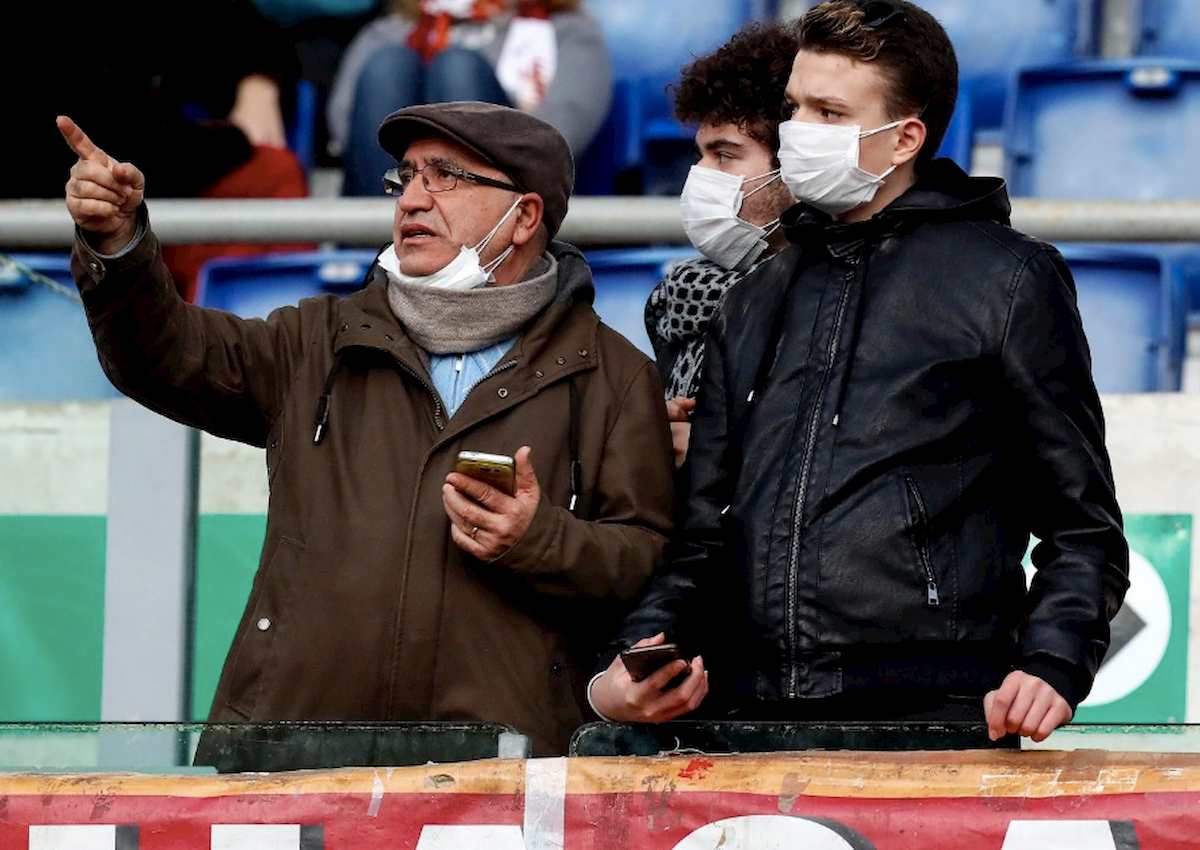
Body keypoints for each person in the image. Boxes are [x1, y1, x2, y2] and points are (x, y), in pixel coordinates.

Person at [58, 101, 674, 757]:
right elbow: (162, 358)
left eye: (446, 177)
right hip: (291, 758)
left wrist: (539, 538)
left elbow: (644, 561)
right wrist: (119, 245)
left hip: (492, 784)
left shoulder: (614, 377)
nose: (412, 199)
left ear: (524, 217)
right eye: (404, 178)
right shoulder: (315, 341)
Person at [590, 0, 1129, 745]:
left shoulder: (1008, 279)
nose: (798, 132)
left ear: (906, 136)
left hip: (933, 720)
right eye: (793, 108)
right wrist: (637, 655)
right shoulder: (751, 296)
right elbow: (701, 536)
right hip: (741, 720)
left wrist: (1054, 663)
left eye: (829, 111)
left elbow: (1083, 524)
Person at [1, 0, 310, 301]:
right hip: (51, 210)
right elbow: (112, 142)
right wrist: (235, 139)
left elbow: (247, 28)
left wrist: (258, 81)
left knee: (271, 173)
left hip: (141, 185)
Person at [644, 22, 799, 468]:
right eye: (701, 155)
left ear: (792, 165)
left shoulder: (826, 303)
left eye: (725, 155)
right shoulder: (679, 301)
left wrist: (715, 454)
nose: (701, 175)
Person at [329, 0, 612, 196]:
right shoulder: (390, 31)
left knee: (457, 67)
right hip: (388, 192)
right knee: (389, 66)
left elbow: (555, 142)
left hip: (507, 196)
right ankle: (388, 235)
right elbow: (347, 129)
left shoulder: (568, 31)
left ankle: (463, 227)